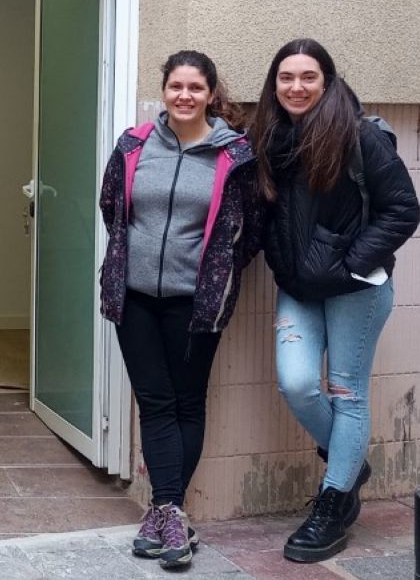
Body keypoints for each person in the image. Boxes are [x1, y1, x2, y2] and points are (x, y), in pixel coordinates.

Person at [250, 38, 420, 563]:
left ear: (326, 81)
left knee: (347, 395)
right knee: (298, 383)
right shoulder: (270, 138)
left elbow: (403, 210)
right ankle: (351, 465)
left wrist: (348, 262)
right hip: (299, 288)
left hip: (356, 290)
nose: (296, 87)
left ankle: (332, 502)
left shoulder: (360, 135)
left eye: (308, 77)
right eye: (286, 77)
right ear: (274, 84)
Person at [98, 50, 265, 570]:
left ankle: (164, 512)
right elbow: (112, 207)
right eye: (176, 87)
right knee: (154, 400)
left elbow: (251, 229)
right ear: (164, 90)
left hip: (198, 302)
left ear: (211, 93)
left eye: (195, 88)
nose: (184, 96)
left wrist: (217, 269)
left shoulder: (235, 155)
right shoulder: (133, 145)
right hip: (136, 297)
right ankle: (171, 513)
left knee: (186, 401)